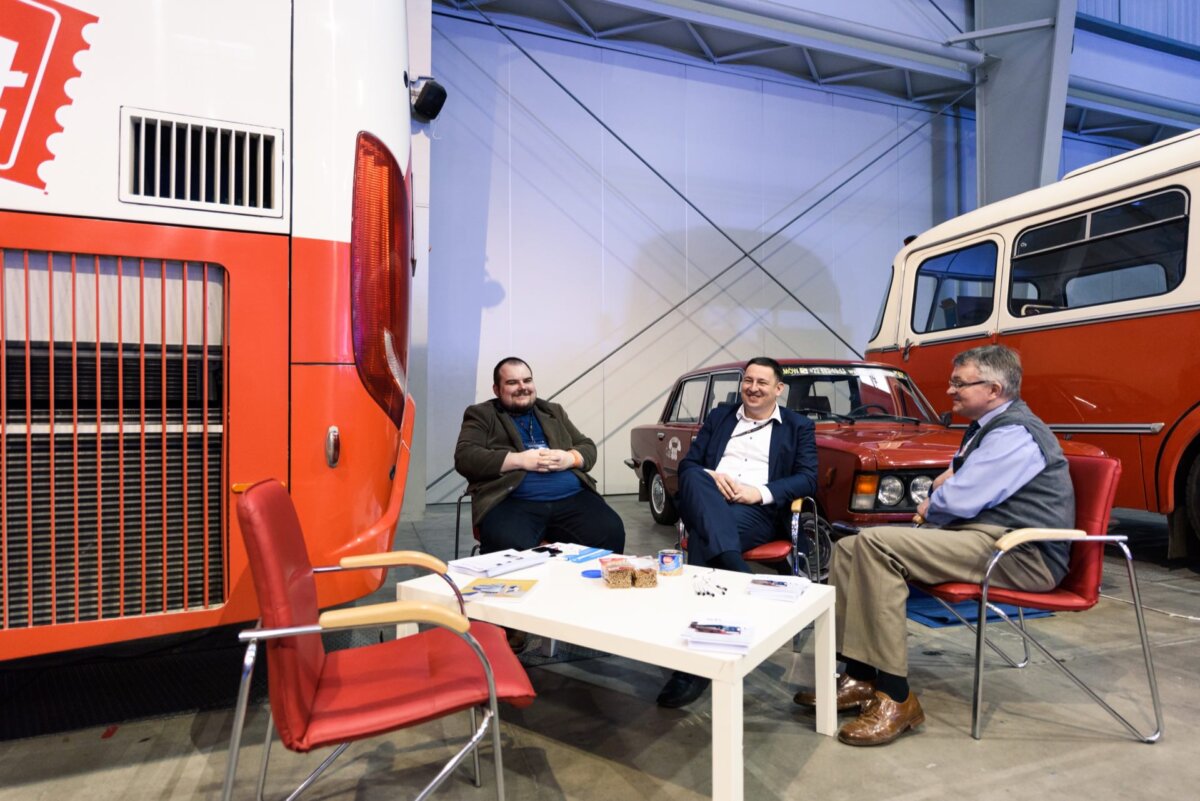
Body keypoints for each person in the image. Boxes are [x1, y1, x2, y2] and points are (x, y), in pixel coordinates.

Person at [793, 344, 1073, 746]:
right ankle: (860, 674)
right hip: (983, 536)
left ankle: (897, 697)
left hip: (1022, 553)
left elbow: (958, 498)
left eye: (960, 382)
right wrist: (947, 489)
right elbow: (957, 483)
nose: (949, 390)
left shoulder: (1014, 433)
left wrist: (933, 501)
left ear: (993, 389)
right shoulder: (988, 428)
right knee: (850, 547)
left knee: (874, 545)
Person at [657, 356, 818, 708]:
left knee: (702, 537)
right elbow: (689, 464)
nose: (753, 388)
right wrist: (714, 477)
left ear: (779, 389)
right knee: (696, 477)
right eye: (748, 380)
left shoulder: (797, 426)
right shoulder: (720, 417)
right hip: (710, 497)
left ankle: (692, 670)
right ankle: (741, 579)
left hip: (756, 512)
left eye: (762, 382)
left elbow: (808, 478)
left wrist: (755, 492)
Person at [454, 357, 626, 556]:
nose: (522, 387)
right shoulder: (482, 414)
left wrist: (569, 458)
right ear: (496, 389)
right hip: (512, 500)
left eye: (527, 380)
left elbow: (587, 446)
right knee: (507, 547)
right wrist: (519, 460)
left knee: (610, 531)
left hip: (572, 498)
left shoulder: (553, 411)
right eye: (512, 382)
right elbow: (465, 457)